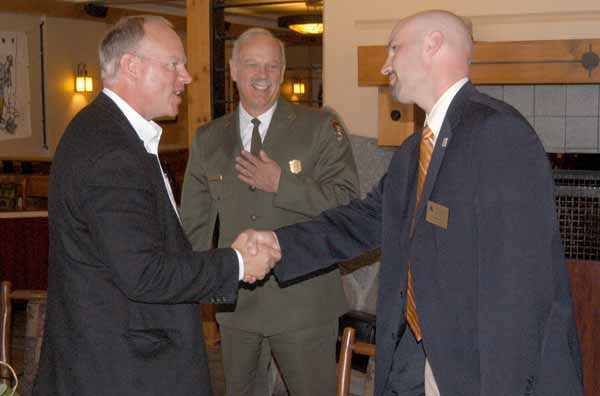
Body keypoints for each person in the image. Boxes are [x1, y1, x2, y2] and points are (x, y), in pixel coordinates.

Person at [246, 10, 584, 396]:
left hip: (478, 371)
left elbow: (518, 294)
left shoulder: (497, 134)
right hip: (415, 359)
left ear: (433, 44)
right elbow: (364, 220)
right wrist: (279, 244)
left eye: (394, 49)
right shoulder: (413, 151)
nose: (386, 65)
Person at [33, 16, 279, 396]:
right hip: (123, 370)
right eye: (174, 64)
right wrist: (237, 262)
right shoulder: (110, 151)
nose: (186, 77)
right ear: (132, 67)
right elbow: (145, 274)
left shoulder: (107, 133)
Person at [180, 28, 359, 396]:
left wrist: (282, 183)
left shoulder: (320, 127)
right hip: (236, 307)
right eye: (251, 65)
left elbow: (348, 205)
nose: (261, 75)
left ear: (281, 72)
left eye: (271, 66)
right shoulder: (208, 139)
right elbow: (193, 226)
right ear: (232, 70)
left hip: (304, 304)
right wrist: (190, 292)